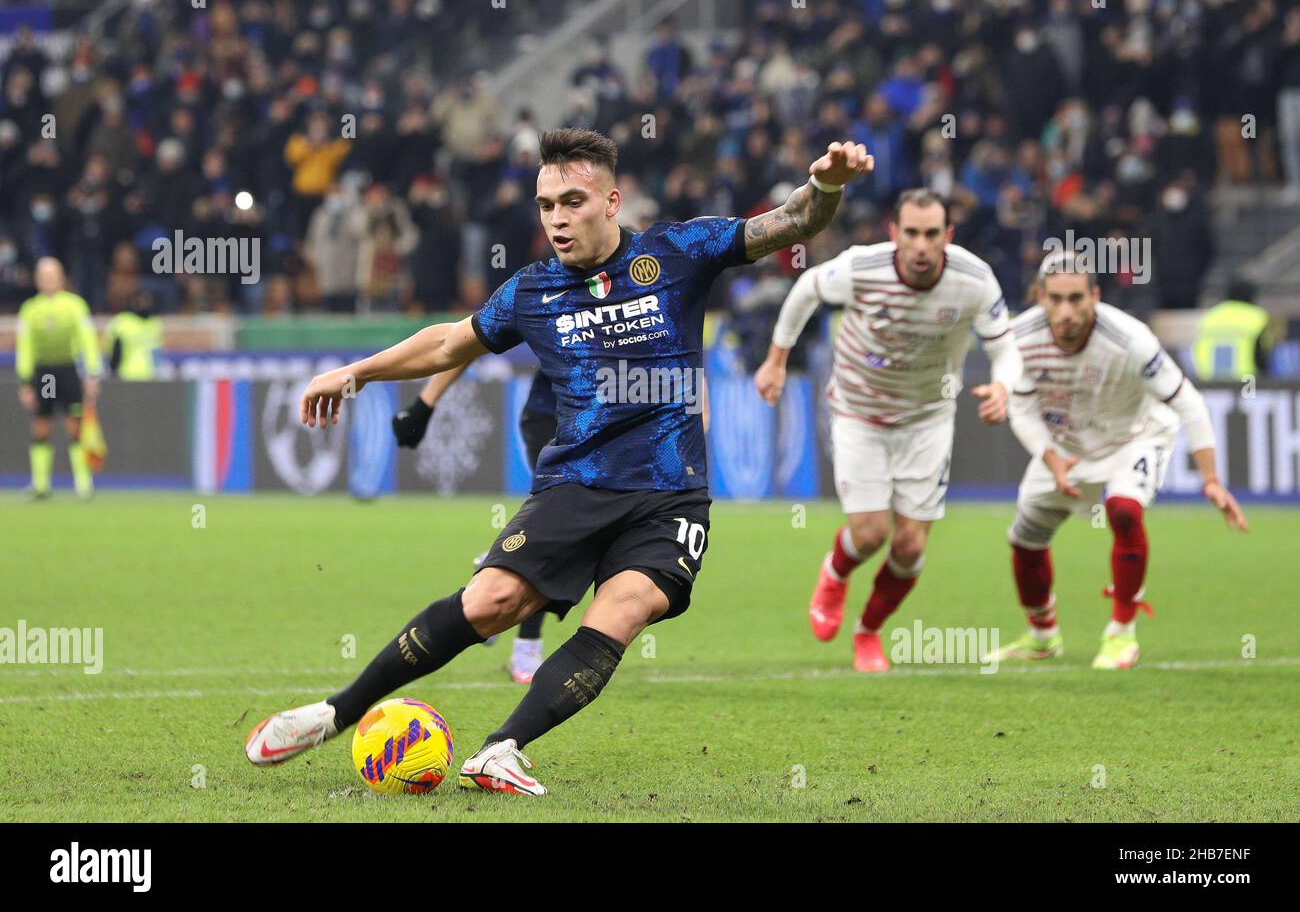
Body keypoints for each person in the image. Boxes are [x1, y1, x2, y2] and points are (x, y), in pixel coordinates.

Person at [245, 128, 873, 795]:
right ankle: (334, 712)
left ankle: (501, 748)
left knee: (627, 608)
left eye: (572, 201)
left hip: (669, 497)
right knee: (492, 600)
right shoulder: (532, 291)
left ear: (611, 201)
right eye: (546, 205)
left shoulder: (680, 251)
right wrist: (354, 373)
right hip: (576, 484)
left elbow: (794, 222)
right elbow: (448, 343)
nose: (557, 218)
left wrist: (826, 184)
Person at [754, 189, 1022, 673]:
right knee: (873, 533)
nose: (922, 246)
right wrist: (777, 359)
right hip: (860, 411)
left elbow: (1006, 346)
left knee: (910, 546)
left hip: (928, 418)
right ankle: (835, 573)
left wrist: (1004, 385)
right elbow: (809, 287)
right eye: (912, 233)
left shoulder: (975, 279)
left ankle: (869, 631)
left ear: (948, 236)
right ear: (895, 233)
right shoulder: (862, 267)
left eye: (932, 234)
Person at [989, 250, 1248, 670]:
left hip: (1135, 435)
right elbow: (1021, 406)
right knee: (1025, 539)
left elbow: (1188, 402)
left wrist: (1212, 480)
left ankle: (1121, 634)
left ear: (1095, 295)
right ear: (1039, 297)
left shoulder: (1131, 339)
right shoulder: (1017, 339)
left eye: (1076, 298)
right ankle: (1041, 637)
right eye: (1055, 299)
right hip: (1066, 447)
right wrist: (1049, 457)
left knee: (1123, 510)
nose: (1066, 310)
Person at [391, 367, 557, 684]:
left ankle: (500, 569)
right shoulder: (551, 315)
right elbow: (464, 341)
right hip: (555, 418)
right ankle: (525, 647)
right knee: (557, 526)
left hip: (615, 424)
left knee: (578, 531)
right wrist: (424, 403)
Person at [15, 257, 102, 499]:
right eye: (44, 275)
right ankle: (41, 485)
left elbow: (88, 340)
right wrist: (25, 382)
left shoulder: (75, 306)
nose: (49, 280)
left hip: (68, 371)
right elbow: (26, 347)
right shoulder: (30, 309)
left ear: (62, 277)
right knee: (42, 427)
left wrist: (92, 373)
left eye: (53, 274)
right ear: (37, 280)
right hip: (45, 373)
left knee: (75, 428)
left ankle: (83, 484)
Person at [1191, 278, 1275, 382]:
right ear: (1252, 296)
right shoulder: (1258, 317)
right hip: (1247, 382)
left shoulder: (1209, 317)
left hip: (1210, 384)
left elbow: (1195, 349)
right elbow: (1263, 354)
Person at [103, 290, 163, 380]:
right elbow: (114, 352)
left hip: (150, 376)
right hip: (126, 375)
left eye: (145, 302)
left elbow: (156, 351)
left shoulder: (154, 323)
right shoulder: (121, 323)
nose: (143, 305)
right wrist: (114, 372)